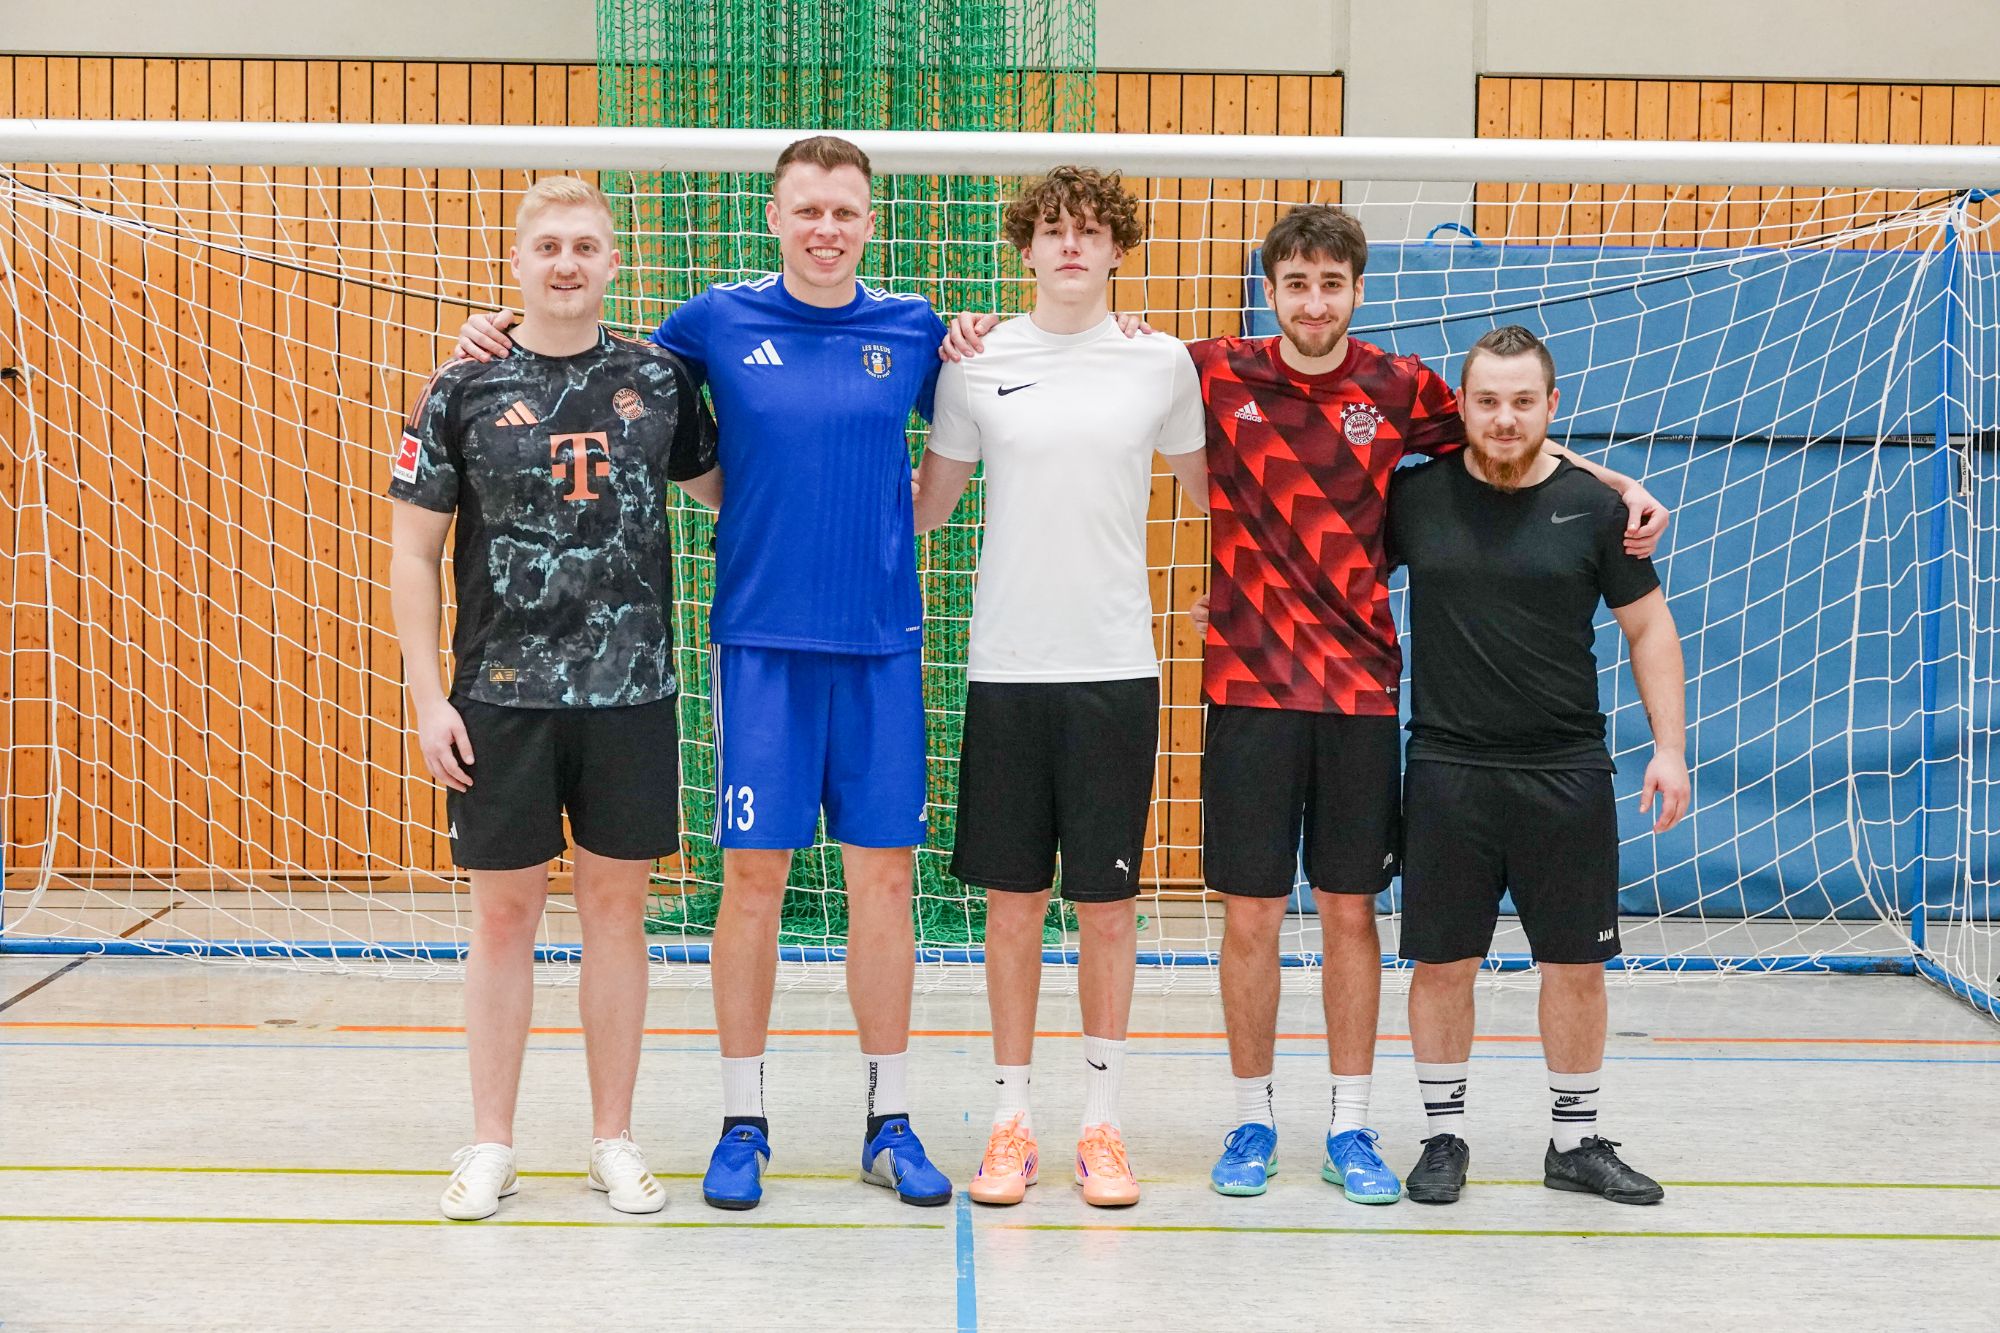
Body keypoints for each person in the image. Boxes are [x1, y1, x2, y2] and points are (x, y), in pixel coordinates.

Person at [950, 203, 1668, 1204]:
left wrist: (1614, 481)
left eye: (1332, 284)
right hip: (1247, 687)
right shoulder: (1207, 369)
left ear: (1357, 291)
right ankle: (1251, 1118)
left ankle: (1349, 1122)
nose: (1314, 302)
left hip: (1358, 694)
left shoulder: (1400, 386)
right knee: (1248, 914)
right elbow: (1092, 356)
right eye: (1296, 284)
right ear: (1272, 291)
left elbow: (1507, 440)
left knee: (1346, 913)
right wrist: (975, 331)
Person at [454, 137, 955, 1210]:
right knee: (753, 881)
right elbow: (590, 367)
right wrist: (491, 330)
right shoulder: (711, 323)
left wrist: (902, 515)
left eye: (845, 212)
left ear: (870, 222)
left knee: (883, 881)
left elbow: (978, 410)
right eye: (807, 210)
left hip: (880, 644)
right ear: (773, 218)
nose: (826, 229)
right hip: (760, 645)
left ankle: (889, 1119)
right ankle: (742, 1121)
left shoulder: (915, 328)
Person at [390, 176, 716, 1221]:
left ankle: (613, 1138)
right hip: (500, 697)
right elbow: (412, 552)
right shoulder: (459, 387)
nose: (566, 262)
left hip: (631, 694)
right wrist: (427, 697)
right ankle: (491, 1141)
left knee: (617, 915)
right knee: (504, 918)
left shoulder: (659, 380)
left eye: (584, 245)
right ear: (517, 261)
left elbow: (728, 489)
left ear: (613, 261)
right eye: (548, 247)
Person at [912, 167, 1206, 1208]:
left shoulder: (1160, 362)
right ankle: (1011, 1118)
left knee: (1109, 908)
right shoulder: (975, 360)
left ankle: (1100, 1122)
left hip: (1115, 669)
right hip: (1007, 669)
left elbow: (1225, 494)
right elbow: (925, 508)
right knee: (1012, 906)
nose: (1070, 245)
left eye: (1089, 230)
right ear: (1025, 249)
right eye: (1051, 230)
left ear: (1119, 248)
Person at [1388, 324, 1689, 1207]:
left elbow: (1649, 628)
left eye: (1523, 401)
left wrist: (1670, 748)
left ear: (1551, 406)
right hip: (1447, 766)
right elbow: (1321, 554)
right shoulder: (1415, 498)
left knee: (1575, 965)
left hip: (1566, 769)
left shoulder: (1595, 509)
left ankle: (1574, 1141)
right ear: (1462, 406)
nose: (1505, 417)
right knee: (1444, 964)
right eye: (1487, 400)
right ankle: (1443, 1135)